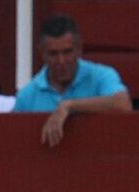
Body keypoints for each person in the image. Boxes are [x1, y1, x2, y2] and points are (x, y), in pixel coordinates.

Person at [13, 14, 132, 147]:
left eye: (67, 52)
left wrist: (69, 106)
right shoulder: (27, 95)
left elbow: (122, 104)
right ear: (42, 54)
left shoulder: (100, 76)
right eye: (53, 54)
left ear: (79, 49)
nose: (61, 61)